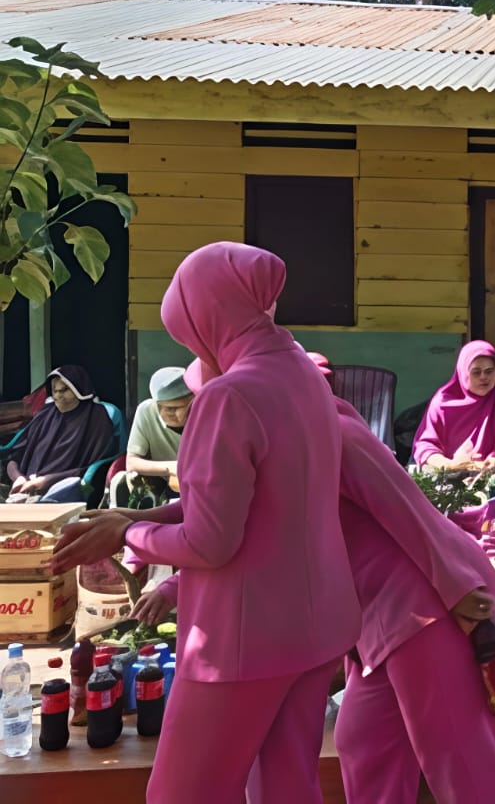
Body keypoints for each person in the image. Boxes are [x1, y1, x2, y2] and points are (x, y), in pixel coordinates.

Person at [48, 241, 362, 804]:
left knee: (180, 794)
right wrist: (136, 515)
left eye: (188, 334)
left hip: (241, 643)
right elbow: (258, 503)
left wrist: (125, 533)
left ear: (206, 317)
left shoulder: (229, 396)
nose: (193, 348)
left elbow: (210, 542)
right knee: (287, 788)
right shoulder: (302, 374)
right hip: (318, 629)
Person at [132, 355, 495, 804]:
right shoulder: (273, 448)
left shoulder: (332, 434)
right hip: (375, 623)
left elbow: (405, 505)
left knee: (465, 769)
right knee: (361, 740)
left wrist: (455, 586)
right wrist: (133, 530)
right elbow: (229, 525)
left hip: (426, 605)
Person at [413, 340, 495, 476]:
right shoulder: (443, 403)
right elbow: (424, 447)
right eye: (476, 372)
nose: (484, 377)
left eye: (489, 371)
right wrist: (449, 465)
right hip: (448, 480)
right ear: (463, 372)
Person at [5, 365, 115, 504]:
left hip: (61, 492)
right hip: (22, 488)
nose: (57, 396)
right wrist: (18, 478)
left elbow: (93, 469)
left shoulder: (96, 418)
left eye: (64, 390)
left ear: (79, 390)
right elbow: (14, 457)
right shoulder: (45, 415)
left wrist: (46, 481)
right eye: (55, 391)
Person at [111, 366, 192, 508]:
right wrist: (173, 467)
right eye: (171, 409)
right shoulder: (146, 411)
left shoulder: (206, 409)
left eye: (187, 407)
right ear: (157, 405)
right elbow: (132, 462)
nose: (181, 415)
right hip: (168, 487)